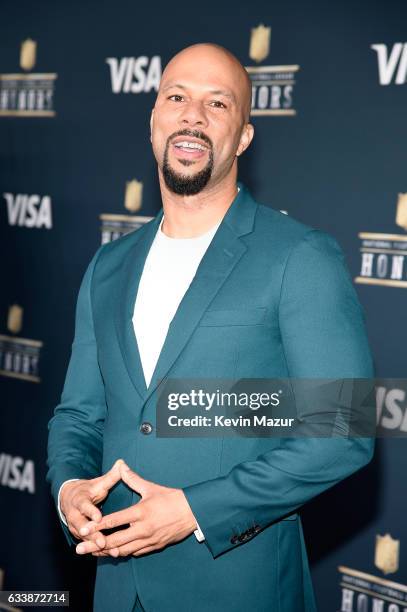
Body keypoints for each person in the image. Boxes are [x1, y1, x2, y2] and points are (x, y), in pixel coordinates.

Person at [46, 43, 375, 612]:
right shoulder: (108, 266)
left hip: (238, 589)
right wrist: (70, 488)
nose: (192, 115)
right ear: (153, 121)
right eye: (177, 97)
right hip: (117, 588)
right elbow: (79, 414)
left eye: (217, 104)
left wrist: (196, 510)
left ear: (243, 137)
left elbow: (343, 431)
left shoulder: (299, 255)